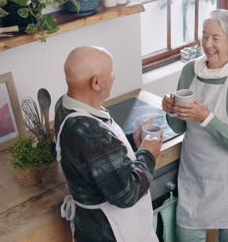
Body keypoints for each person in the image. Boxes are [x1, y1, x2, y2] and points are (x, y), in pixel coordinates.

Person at [162, 9, 228, 242]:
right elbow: (178, 127)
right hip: (196, 170)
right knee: (186, 235)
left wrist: (205, 116)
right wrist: (171, 111)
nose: (207, 44)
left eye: (216, 38)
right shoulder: (190, 70)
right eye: (204, 36)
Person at [55, 46, 162, 242]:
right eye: (111, 72)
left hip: (89, 226)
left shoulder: (65, 105)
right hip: (111, 232)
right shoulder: (90, 131)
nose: (113, 77)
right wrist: (148, 153)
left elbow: (94, 159)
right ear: (96, 82)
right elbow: (127, 194)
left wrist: (131, 141)